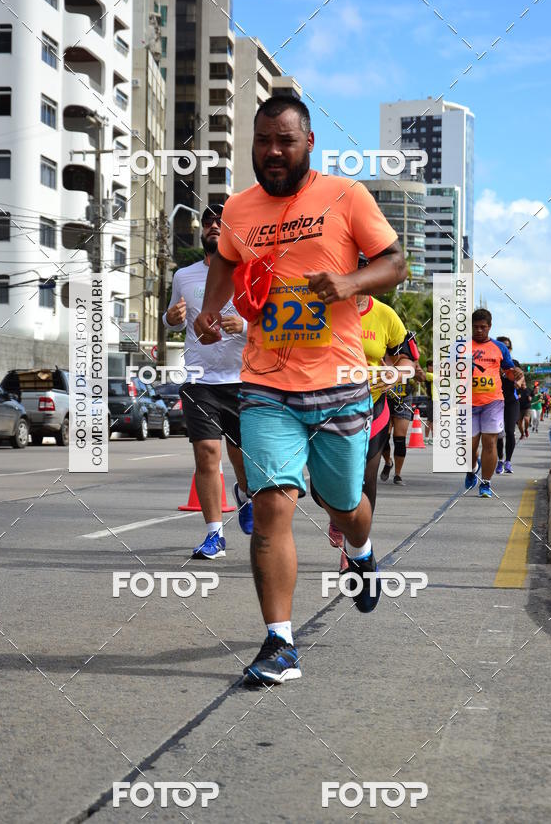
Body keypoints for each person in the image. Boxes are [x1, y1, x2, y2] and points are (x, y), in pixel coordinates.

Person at [194, 96, 407, 685]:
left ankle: (361, 555)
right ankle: (279, 643)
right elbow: (224, 263)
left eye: (285, 141)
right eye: (263, 141)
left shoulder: (346, 196)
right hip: (266, 385)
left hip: (338, 386)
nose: (273, 152)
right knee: (270, 507)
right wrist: (211, 311)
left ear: (309, 141)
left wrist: (348, 281)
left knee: (342, 505)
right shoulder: (239, 208)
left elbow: (395, 262)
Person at [163, 204, 253, 559]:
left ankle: (245, 494)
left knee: (242, 456)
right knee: (207, 454)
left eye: (222, 221)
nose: (214, 225)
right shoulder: (184, 276)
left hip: (244, 379)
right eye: (208, 221)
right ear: (202, 230)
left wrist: (243, 326)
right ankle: (214, 534)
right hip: (200, 380)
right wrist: (171, 318)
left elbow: (268, 324)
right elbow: (174, 320)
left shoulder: (249, 274)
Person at [328, 277, 419, 567]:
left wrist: (395, 373)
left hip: (373, 405)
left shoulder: (385, 315)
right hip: (328, 406)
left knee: (367, 479)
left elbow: (408, 360)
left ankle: (353, 548)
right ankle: (338, 515)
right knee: (325, 485)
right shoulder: (323, 309)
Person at [467, 309, 519, 498]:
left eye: (483, 327)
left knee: (490, 443)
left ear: (490, 327)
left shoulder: (499, 347)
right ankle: (472, 468)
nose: (479, 330)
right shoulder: (461, 346)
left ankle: (486, 483)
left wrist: (517, 374)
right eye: (475, 327)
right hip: (468, 403)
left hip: (493, 402)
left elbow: (509, 371)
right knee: (470, 446)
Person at [495, 336, 522, 474]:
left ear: (510, 349)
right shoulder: (493, 363)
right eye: (501, 346)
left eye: (507, 347)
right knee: (499, 434)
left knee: (510, 432)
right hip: (496, 402)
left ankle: (508, 462)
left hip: (511, 402)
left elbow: (521, 377)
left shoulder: (514, 363)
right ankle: (500, 460)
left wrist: (519, 382)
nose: (504, 349)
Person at [424, 359, 434, 443]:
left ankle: (432, 438)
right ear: (428, 367)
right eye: (432, 366)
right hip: (431, 400)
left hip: (436, 400)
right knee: (430, 420)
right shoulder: (428, 375)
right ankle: (427, 438)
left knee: (434, 420)